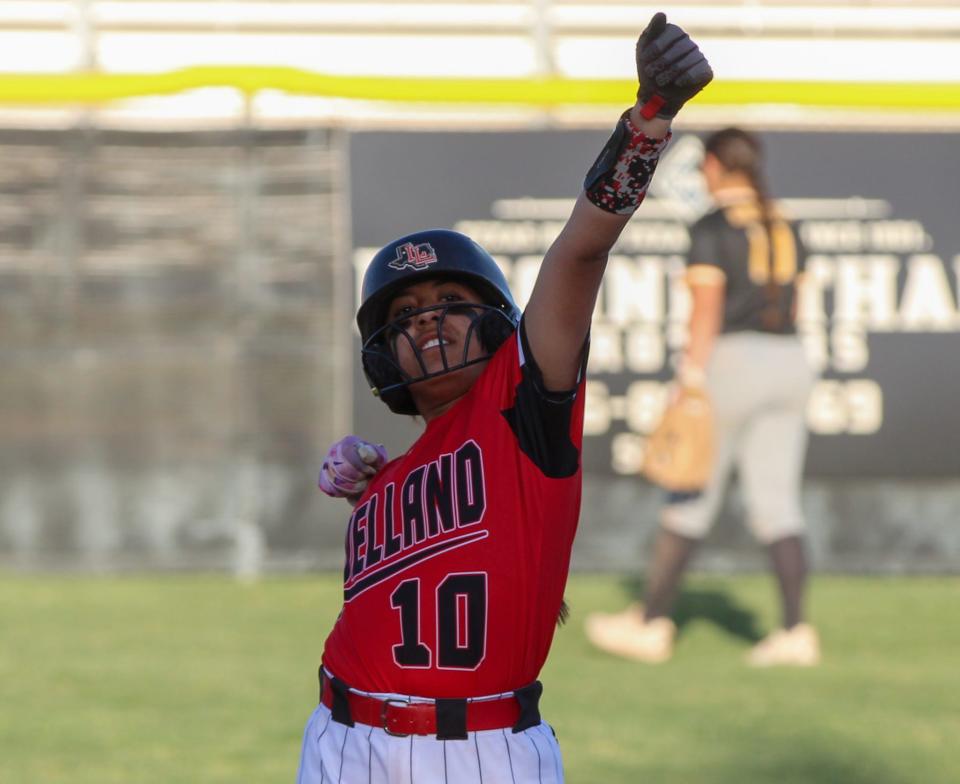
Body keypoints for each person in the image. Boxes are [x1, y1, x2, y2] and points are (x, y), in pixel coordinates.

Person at [298, 13, 712, 783]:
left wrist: (649, 118)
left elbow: (581, 251)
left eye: (450, 300)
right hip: (339, 734)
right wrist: (366, 476)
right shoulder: (385, 476)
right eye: (403, 315)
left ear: (496, 319)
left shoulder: (524, 401)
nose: (427, 322)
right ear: (380, 352)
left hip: (481, 751)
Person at [585, 127, 820, 667]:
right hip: (790, 359)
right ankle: (796, 631)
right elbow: (798, 305)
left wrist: (690, 378)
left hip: (733, 361)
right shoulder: (787, 224)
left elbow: (707, 309)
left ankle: (650, 623)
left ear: (714, 166)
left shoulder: (714, 226)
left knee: (690, 495)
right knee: (778, 504)